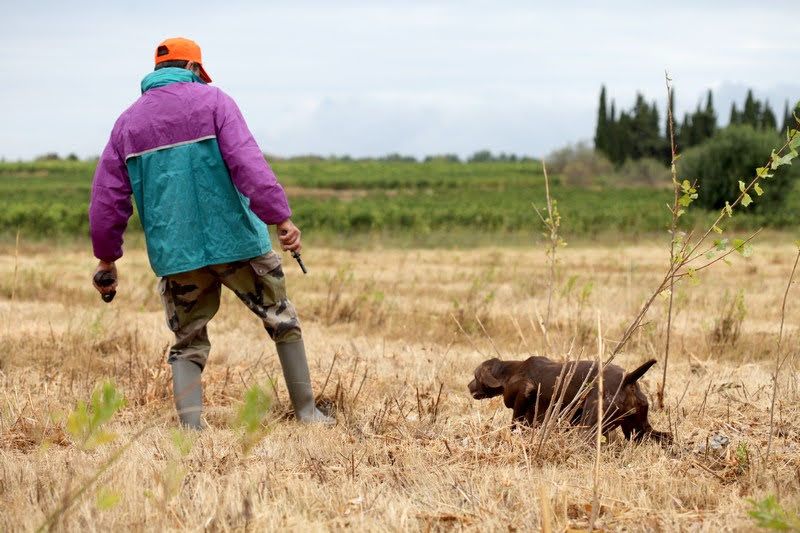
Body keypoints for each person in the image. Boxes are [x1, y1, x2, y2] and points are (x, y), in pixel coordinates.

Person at [89, 37, 333, 429]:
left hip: (177, 254)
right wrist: (281, 218)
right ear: (194, 69)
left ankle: (190, 431)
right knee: (282, 321)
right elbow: (249, 163)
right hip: (238, 242)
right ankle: (307, 413)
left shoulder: (127, 124)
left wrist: (106, 259)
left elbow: (107, 198)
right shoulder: (216, 102)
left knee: (187, 343)